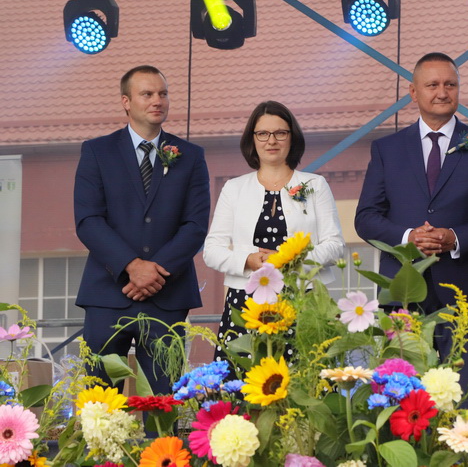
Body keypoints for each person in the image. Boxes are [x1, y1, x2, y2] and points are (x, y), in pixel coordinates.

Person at [355, 53, 468, 407]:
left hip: (466, 296)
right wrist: (408, 238)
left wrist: (455, 237)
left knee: (466, 400)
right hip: (403, 294)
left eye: (450, 84)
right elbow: (366, 217)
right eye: (432, 85)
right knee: (403, 403)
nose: (442, 92)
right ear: (414, 92)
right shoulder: (386, 149)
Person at [74, 65, 210, 395]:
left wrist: (155, 271)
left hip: (168, 295)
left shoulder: (191, 156)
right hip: (108, 293)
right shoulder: (97, 151)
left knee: (166, 401)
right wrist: (132, 267)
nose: (157, 101)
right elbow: (88, 220)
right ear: (126, 101)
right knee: (100, 402)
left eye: (163, 93)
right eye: (147, 94)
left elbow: (195, 226)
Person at [203, 100, 345, 362]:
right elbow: (211, 250)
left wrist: (288, 261)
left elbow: (335, 245)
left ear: (292, 137)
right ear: (252, 139)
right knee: (246, 380)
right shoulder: (234, 188)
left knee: (305, 377)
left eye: (280, 133)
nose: (271, 140)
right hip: (246, 300)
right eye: (263, 133)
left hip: (304, 297)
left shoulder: (315, 184)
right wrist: (247, 260)